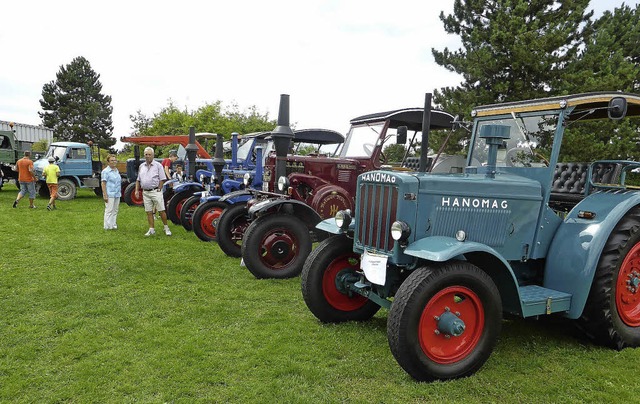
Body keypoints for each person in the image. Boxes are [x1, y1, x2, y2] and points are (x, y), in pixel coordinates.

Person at [135, 147, 172, 236]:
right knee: (148, 211)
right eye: (146, 155)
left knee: (161, 210)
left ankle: (166, 227)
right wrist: (136, 190)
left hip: (155, 191)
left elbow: (162, 179)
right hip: (145, 192)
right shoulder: (141, 166)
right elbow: (138, 179)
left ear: (153, 155)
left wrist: (159, 188)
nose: (147, 156)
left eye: (149, 154)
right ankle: (151, 229)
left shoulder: (158, 166)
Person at [101, 154, 122, 230]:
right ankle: (107, 226)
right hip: (110, 193)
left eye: (114, 160)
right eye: (111, 160)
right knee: (109, 210)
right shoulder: (105, 172)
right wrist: (105, 195)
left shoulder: (116, 171)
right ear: (108, 162)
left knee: (115, 210)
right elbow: (103, 183)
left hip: (117, 193)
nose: (113, 162)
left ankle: (113, 224)